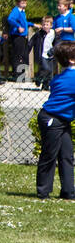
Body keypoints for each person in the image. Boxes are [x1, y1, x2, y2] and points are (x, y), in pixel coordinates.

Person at [36, 40, 75, 201]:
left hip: (61, 120)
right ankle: (43, 191)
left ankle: (68, 191)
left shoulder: (61, 77)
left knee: (66, 155)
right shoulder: (70, 78)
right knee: (49, 155)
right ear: (71, 60)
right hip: (52, 119)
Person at [7, 0, 32, 81]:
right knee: (18, 55)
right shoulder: (16, 10)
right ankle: (17, 75)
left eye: (25, 2)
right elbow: (10, 19)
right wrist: (18, 27)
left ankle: (22, 75)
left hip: (23, 36)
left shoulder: (22, 12)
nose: (24, 4)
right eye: (22, 2)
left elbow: (24, 22)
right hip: (17, 36)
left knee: (23, 55)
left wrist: (33, 24)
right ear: (18, 3)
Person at [34, 16, 56, 90]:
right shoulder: (39, 33)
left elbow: (56, 42)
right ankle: (38, 78)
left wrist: (53, 50)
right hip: (42, 54)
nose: (45, 26)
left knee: (50, 73)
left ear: (51, 25)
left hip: (50, 54)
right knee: (46, 69)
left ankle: (45, 86)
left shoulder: (53, 33)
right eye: (43, 25)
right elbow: (31, 42)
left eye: (47, 25)